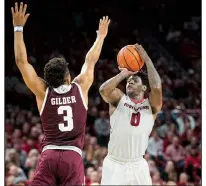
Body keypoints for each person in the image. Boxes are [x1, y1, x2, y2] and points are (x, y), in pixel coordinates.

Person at [11, 2, 110, 185]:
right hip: (72, 158)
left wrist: (18, 28)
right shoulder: (80, 87)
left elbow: (21, 61)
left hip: (49, 156)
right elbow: (90, 60)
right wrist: (101, 37)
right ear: (67, 77)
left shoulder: (43, 92)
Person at [99, 44, 162, 185]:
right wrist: (123, 74)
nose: (129, 82)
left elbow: (157, 87)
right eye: (128, 81)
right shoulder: (118, 99)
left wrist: (146, 58)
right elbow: (103, 90)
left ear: (144, 87)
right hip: (115, 163)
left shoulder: (151, 107)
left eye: (134, 81)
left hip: (138, 164)